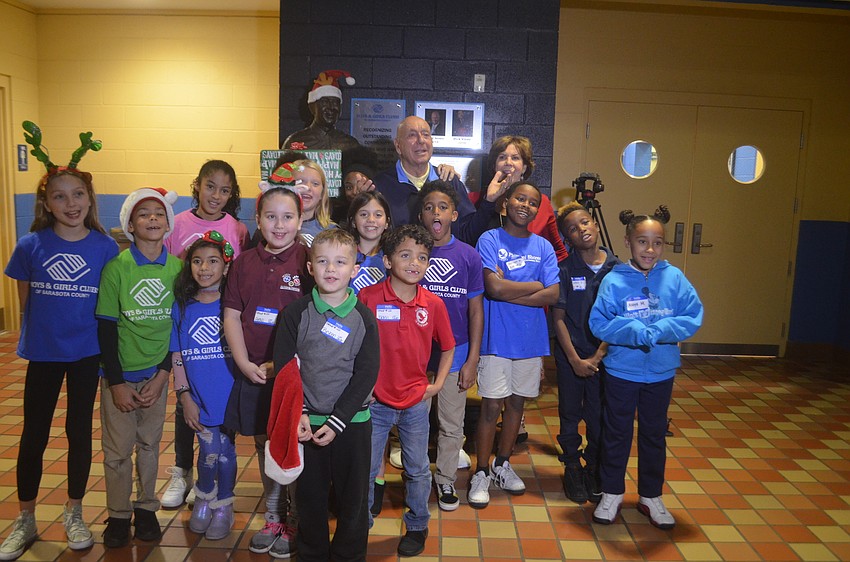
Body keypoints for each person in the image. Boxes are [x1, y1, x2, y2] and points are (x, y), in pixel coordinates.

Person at [1, 160, 118, 560]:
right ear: (46, 203)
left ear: (90, 199)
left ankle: (75, 511)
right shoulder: (30, 245)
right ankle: (26, 518)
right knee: (33, 434)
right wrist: (34, 338)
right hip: (44, 354)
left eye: (78, 195)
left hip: (86, 353)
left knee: (78, 432)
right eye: (60, 196)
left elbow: (108, 305)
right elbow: (26, 302)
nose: (71, 204)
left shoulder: (104, 247)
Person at [589, 206, 703, 529]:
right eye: (642, 242)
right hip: (621, 372)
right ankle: (611, 492)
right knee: (616, 432)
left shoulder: (675, 278)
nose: (650, 250)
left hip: (661, 373)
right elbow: (599, 322)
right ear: (628, 242)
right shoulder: (613, 280)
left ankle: (651, 495)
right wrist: (633, 331)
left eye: (657, 243)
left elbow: (692, 315)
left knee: (654, 434)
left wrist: (663, 329)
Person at [270, 228, 380, 562]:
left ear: (354, 269)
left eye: (340, 262)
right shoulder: (295, 314)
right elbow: (285, 368)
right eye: (322, 262)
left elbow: (367, 374)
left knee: (353, 502)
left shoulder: (364, 318)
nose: (331, 269)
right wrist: (300, 412)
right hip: (306, 424)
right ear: (310, 268)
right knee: (309, 501)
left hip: (352, 424)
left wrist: (337, 421)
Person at [222, 185, 313, 558]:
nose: (279, 224)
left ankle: (296, 521)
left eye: (287, 217)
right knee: (264, 446)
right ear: (258, 220)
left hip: (295, 374)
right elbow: (231, 315)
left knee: (292, 444)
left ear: (300, 220)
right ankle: (274, 516)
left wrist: (286, 363)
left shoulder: (308, 261)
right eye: (271, 216)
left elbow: (316, 319)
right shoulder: (243, 263)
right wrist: (244, 363)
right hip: (255, 372)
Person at [358, 224, 455, 557]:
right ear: (387, 261)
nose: (415, 263)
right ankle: (359, 524)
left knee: (417, 469)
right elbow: (355, 345)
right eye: (405, 255)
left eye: (422, 257)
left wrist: (437, 384)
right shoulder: (368, 298)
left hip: (415, 402)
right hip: (376, 402)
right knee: (366, 467)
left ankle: (417, 525)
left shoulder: (433, 304)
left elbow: (448, 346)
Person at [96, 187, 183, 548]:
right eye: (143, 214)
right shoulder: (117, 269)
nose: (152, 219)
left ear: (168, 223)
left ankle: (146, 508)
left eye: (159, 213)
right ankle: (118, 515)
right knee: (117, 451)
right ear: (130, 224)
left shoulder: (178, 269)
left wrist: (163, 374)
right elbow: (106, 327)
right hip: (119, 377)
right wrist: (116, 382)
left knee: (149, 446)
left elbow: (177, 327)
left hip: (156, 377)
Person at [162, 159, 249, 510]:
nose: (215, 195)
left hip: (221, 319)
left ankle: (216, 486)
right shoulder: (178, 223)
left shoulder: (237, 229)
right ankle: (182, 471)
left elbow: (239, 276)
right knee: (187, 408)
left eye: (224, 190)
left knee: (220, 418)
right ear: (197, 185)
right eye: (210, 186)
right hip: (187, 319)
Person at [468, 181, 559, 509]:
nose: (526, 206)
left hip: (530, 341)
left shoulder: (543, 247)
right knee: (491, 406)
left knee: (517, 406)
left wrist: (509, 287)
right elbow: (492, 289)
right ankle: (481, 470)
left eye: (533, 203)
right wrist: (535, 285)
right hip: (496, 339)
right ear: (506, 203)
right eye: (520, 198)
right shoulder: (489, 239)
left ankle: (502, 464)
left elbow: (553, 293)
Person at [417, 181, 484, 512]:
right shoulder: (414, 252)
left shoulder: (468, 256)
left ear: (454, 215)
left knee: (451, 423)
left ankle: (445, 479)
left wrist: (472, 359)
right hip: (417, 355)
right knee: (416, 422)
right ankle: (417, 479)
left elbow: (476, 311)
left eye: (442, 207)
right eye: (429, 207)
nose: (436, 213)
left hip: (455, 353)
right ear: (421, 215)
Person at [169, 231, 238, 540]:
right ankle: (205, 497)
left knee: (225, 452)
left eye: (213, 261)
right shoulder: (183, 307)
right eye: (197, 261)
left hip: (230, 397)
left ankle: (223, 504)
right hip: (199, 398)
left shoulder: (233, 306)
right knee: (208, 451)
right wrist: (185, 396)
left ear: (226, 266)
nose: (205, 268)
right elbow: (177, 356)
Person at [552, 202, 619, 504]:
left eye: (584, 222)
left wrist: (598, 356)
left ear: (595, 224)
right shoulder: (565, 270)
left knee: (598, 415)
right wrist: (575, 359)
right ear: (568, 238)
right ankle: (571, 465)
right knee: (569, 412)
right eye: (572, 229)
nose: (581, 230)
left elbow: (619, 319)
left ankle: (593, 465)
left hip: (605, 359)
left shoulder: (618, 270)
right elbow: (558, 319)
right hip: (571, 357)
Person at [373, 116, 505, 246]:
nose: (421, 140)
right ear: (398, 146)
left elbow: (467, 234)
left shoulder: (449, 181)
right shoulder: (380, 185)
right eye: (412, 135)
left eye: (425, 134)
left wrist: (489, 201)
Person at [473, 136, 568, 262]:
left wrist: (540, 271)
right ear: (494, 166)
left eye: (515, 158)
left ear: (524, 167)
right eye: (502, 157)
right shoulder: (474, 199)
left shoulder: (542, 203)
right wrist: (488, 201)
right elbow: (467, 243)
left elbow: (559, 252)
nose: (508, 162)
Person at [282, 70, 360, 151]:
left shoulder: (351, 145)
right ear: (312, 107)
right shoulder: (295, 142)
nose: (331, 107)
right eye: (324, 102)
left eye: (335, 102)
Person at [346, 191, 392, 294]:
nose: (371, 220)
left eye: (378, 215)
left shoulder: (392, 257)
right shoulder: (343, 254)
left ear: (387, 223)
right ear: (353, 222)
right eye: (364, 214)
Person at [292, 158, 337, 247]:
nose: (308, 187)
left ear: (322, 194)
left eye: (315, 184)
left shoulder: (332, 233)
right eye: (300, 181)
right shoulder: (275, 228)